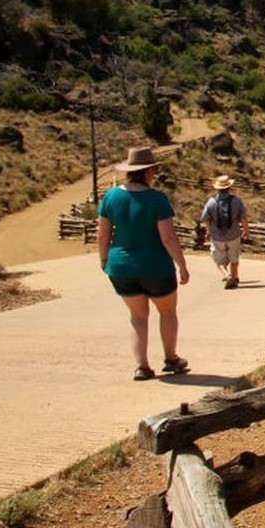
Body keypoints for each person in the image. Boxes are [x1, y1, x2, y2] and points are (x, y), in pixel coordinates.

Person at [97, 146, 190, 381]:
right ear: (150, 171)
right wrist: (181, 264)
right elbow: (168, 237)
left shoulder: (111, 196)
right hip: (155, 266)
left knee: (137, 316)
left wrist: (104, 258)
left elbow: (102, 233)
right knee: (167, 311)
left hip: (121, 266)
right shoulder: (157, 199)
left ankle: (142, 366)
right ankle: (171, 359)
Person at [200, 174, 249, 289]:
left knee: (218, 259)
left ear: (217, 188)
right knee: (234, 257)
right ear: (229, 187)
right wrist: (246, 230)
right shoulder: (236, 201)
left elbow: (205, 218)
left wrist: (208, 231)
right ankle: (234, 276)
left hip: (217, 236)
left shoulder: (211, 202)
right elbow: (243, 218)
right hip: (234, 234)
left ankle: (227, 275)